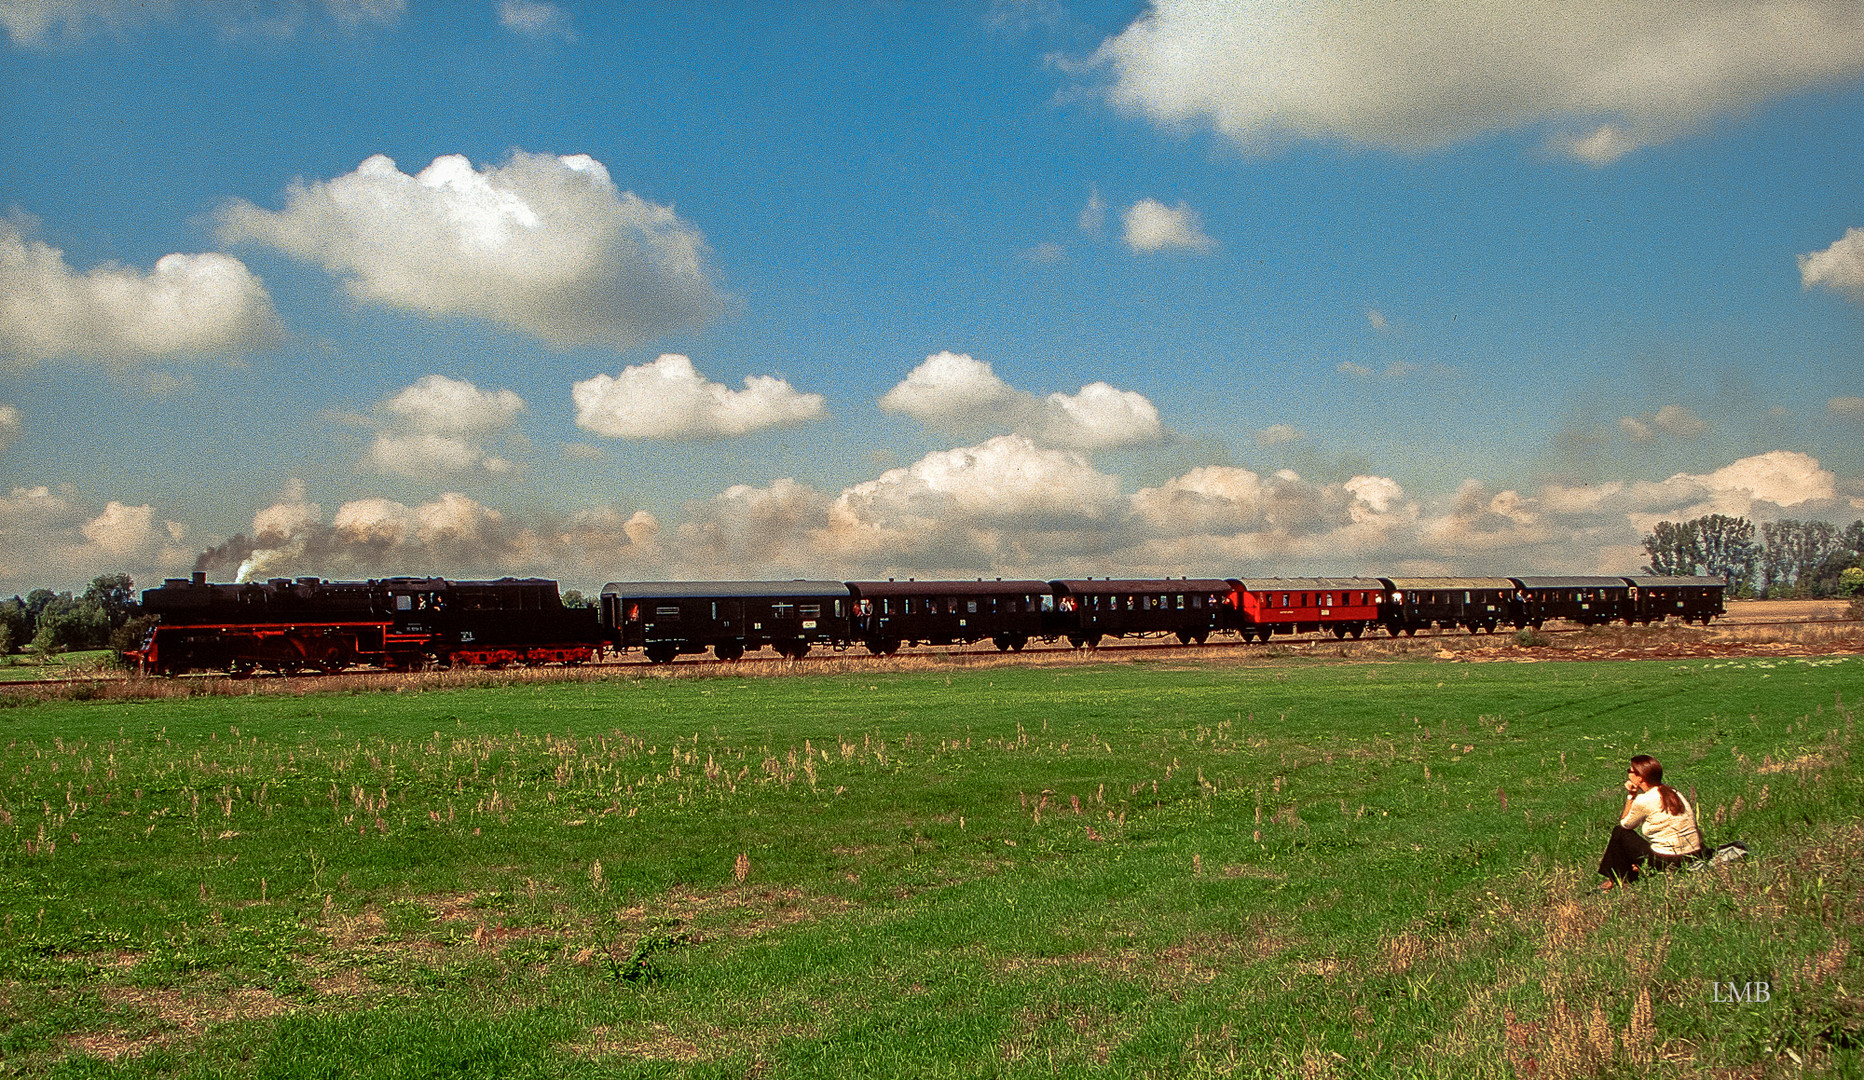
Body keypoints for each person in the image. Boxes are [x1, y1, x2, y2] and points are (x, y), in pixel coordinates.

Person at [1598, 755, 1703, 889]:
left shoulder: (1644, 800)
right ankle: (1620, 875)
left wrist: (1631, 796)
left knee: (1619, 832)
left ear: (1639, 778)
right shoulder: (1674, 792)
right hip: (1693, 854)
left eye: (1630, 771)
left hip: (1668, 860)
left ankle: (1620, 879)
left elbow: (1625, 824)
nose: (1628, 774)